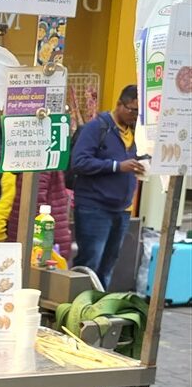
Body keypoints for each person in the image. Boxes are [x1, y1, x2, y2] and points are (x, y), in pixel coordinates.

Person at [71, 84, 144, 288]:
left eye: (140, 112)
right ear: (119, 104)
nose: (135, 116)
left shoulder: (135, 132)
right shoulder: (96, 128)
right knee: (90, 263)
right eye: (132, 110)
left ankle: (98, 308)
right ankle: (79, 307)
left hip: (122, 209)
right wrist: (116, 166)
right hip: (94, 208)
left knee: (108, 265)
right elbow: (79, 161)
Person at [0, 168, 71, 260]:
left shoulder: (38, 167)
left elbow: (35, 203)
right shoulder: (47, 164)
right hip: (49, 234)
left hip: (40, 238)